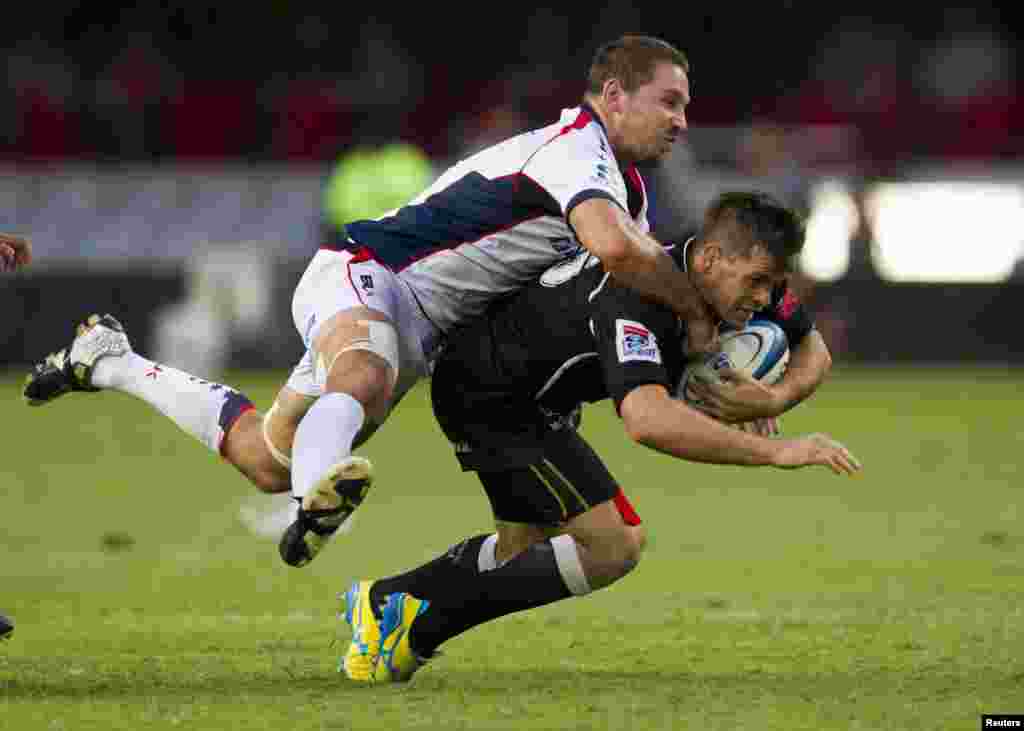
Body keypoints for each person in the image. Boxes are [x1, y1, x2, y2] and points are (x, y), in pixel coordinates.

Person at [23, 35, 718, 570]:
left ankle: (110, 361)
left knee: (266, 458)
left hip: (417, 326)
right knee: (362, 374)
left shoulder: (626, 189)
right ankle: (317, 503)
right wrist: (697, 308)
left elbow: (616, 288)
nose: (683, 120)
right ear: (615, 96)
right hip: (371, 273)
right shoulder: (576, 152)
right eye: (670, 101)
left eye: (686, 105)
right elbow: (620, 254)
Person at [336, 191, 861, 683]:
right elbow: (647, 419)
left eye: (773, 285)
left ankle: (384, 600)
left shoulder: (724, 274)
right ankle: (411, 634)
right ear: (711, 259)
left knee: (524, 550)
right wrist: (777, 452)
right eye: (757, 282)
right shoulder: (638, 291)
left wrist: (771, 400)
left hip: (528, 393)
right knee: (614, 545)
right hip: (493, 396)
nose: (765, 298)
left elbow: (814, 350)